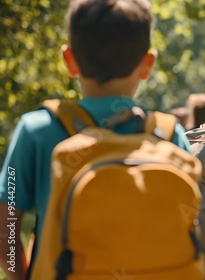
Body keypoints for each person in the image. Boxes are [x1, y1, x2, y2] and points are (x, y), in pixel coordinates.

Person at [0, 0, 192, 278]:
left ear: (69, 60)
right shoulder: (167, 133)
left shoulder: (37, 129)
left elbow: (6, 230)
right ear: (148, 64)